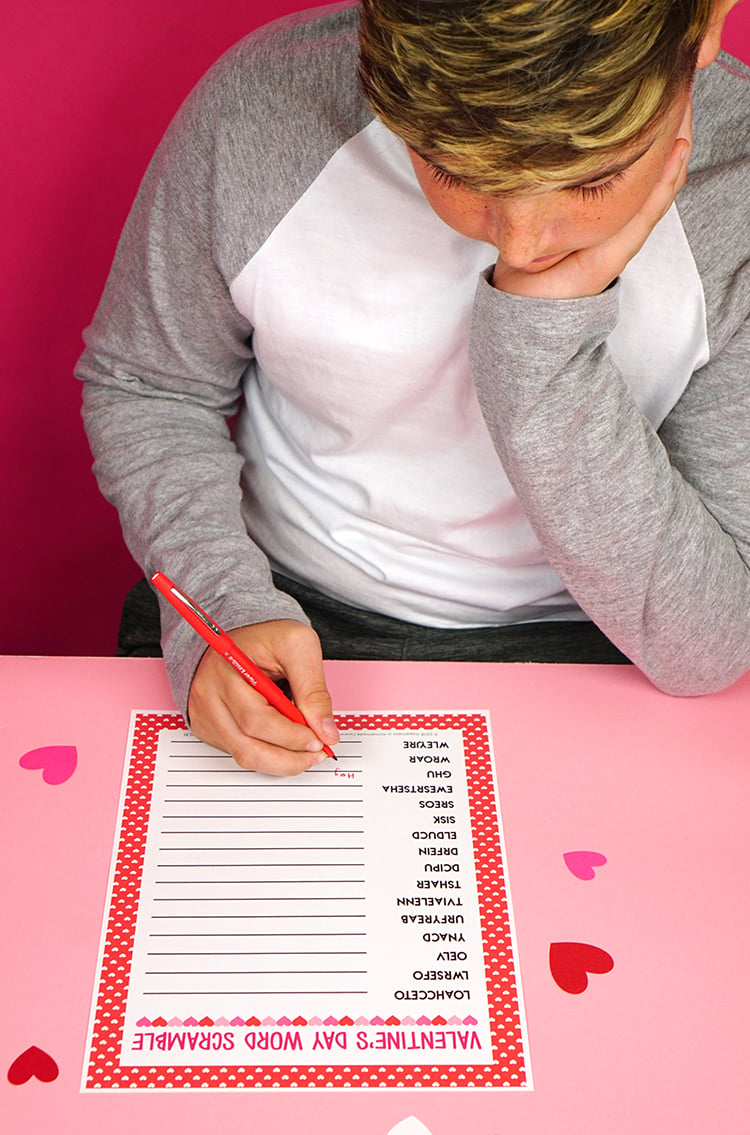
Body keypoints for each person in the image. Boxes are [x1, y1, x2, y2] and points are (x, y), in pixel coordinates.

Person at [76, 0, 749, 775]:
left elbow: (706, 644)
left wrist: (541, 333)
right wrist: (220, 604)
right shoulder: (264, 105)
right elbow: (149, 388)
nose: (522, 242)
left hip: (604, 644)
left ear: (706, 24)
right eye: (454, 169)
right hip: (275, 610)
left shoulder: (739, 198)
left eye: (594, 179)